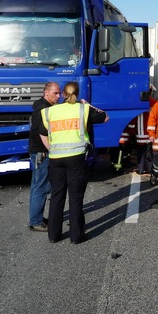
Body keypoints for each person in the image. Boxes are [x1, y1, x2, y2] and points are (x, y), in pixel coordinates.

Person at [39, 81, 108, 244]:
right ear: (77, 94)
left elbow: (42, 133)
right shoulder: (82, 109)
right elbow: (105, 117)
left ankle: (53, 236)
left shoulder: (49, 111)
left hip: (56, 158)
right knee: (75, 197)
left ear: (63, 94)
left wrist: (52, 149)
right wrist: (88, 105)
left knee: (57, 195)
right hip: (76, 158)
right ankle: (76, 236)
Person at [28, 81, 61, 231]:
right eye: (56, 93)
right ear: (46, 93)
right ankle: (35, 221)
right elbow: (40, 133)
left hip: (39, 151)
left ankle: (37, 217)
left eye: (60, 93)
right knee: (41, 187)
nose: (58, 96)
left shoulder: (42, 106)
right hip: (41, 152)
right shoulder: (44, 109)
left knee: (38, 186)